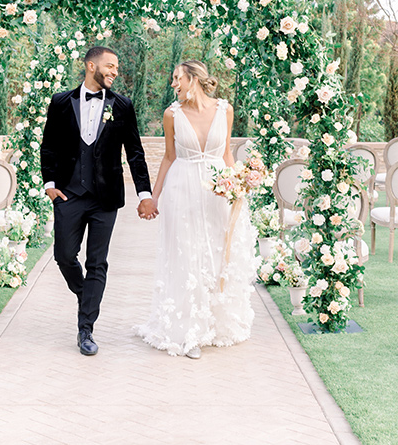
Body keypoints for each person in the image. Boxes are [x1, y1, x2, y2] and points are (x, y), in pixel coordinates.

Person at [134, 60, 257, 359]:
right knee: (187, 255)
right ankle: (189, 332)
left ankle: (215, 323)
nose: (173, 84)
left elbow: (227, 152)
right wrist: (154, 197)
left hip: (218, 190)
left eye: (177, 78)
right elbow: (168, 157)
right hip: (182, 188)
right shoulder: (171, 114)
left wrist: (240, 186)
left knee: (216, 253)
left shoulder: (224, 110)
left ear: (193, 78)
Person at [41, 46, 158, 356]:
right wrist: (50, 184)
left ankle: (86, 328)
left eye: (116, 68)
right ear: (90, 65)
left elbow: (135, 152)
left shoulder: (122, 105)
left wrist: (144, 194)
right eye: (109, 66)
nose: (114, 71)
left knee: (97, 262)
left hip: (106, 198)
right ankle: (87, 296)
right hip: (69, 194)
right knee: (64, 255)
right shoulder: (61, 102)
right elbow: (49, 146)